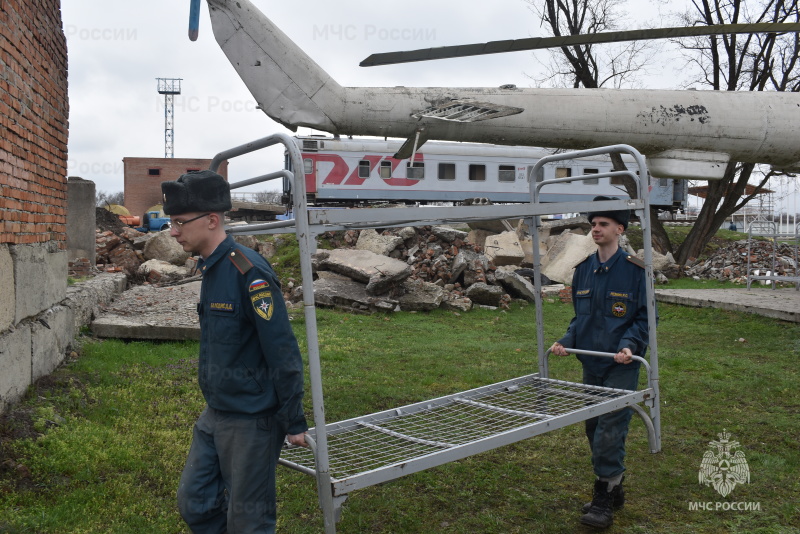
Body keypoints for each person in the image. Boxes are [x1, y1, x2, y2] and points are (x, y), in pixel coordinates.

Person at [162, 170, 308, 533]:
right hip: (217, 411)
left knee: (248, 521)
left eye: (179, 222)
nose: (173, 232)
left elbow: (281, 349)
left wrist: (293, 418)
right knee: (195, 502)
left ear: (212, 220)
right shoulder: (212, 267)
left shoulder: (249, 272)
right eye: (171, 222)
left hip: (252, 418)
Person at [549, 196, 653, 529]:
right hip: (592, 363)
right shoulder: (584, 270)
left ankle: (603, 497)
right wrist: (566, 340)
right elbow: (581, 318)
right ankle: (615, 486)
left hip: (621, 363)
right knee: (594, 427)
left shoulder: (636, 271)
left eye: (603, 224)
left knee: (610, 427)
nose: (596, 229)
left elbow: (644, 318)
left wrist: (628, 346)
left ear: (620, 229)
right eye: (593, 224)